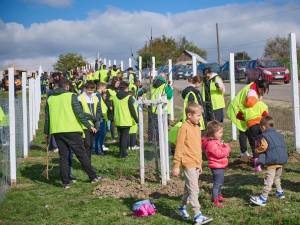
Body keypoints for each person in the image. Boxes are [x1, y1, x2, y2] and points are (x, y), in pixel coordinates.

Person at [44, 78, 101, 188]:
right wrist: (89, 126)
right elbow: (80, 114)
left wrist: (46, 133)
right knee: (82, 155)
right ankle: (93, 176)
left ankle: (66, 182)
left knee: (63, 156)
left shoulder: (50, 99)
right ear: (66, 87)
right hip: (72, 130)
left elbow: (47, 118)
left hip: (57, 131)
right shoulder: (71, 96)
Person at [173, 103, 213, 225]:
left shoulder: (197, 127)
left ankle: (181, 207)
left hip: (195, 164)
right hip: (187, 163)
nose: (200, 118)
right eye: (198, 115)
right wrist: (176, 165)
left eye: (200, 115)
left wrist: (199, 163)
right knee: (194, 189)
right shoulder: (184, 128)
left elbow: (197, 148)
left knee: (188, 188)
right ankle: (197, 215)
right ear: (189, 115)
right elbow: (179, 147)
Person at [250, 116, 288, 206]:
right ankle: (280, 192)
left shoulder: (265, 136)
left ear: (263, 127)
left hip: (272, 162)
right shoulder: (279, 135)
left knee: (269, 180)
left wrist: (256, 150)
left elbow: (264, 147)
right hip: (281, 160)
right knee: (277, 177)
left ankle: (263, 198)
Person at [227, 79, 269, 159]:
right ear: (260, 88)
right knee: (243, 131)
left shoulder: (255, 86)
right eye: (263, 91)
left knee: (248, 132)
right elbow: (250, 102)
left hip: (246, 112)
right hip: (238, 110)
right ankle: (244, 152)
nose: (263, 93)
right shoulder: (252, 92)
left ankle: (252, 153)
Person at [202, 120, 230, 208]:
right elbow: (219, 154)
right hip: (216, 166)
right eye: (220, 132)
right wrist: (227, 148)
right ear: (212, 133)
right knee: (217, 183)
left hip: (219, 165)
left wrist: (222, 145)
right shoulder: (211, 144)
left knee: (220, 182)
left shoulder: (215, 141)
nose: (222, 134)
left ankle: (219, 195)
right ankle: (215, 200)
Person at [112, 81, 138, 158]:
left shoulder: (114, 97)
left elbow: (113, 109)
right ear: (126, 88)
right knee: (124, 138)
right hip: (126, 120)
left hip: (118, 120)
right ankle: (123, 153)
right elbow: (132, 110)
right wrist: (137, 120)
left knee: (120, 137)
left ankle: (121, 152)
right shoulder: (128, 97)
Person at [78, 81, 102, 160]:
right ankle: (86, 163)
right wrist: (93, 117)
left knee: (90, 145)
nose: (90, 92)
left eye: (92, 90)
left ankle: (88, 162)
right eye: (88, 90)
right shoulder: (80, 98)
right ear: (85, 89)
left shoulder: (96, 98)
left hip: (94, 125)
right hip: (85, 125)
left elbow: (99, 111)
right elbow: (81, 113)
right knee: (87, 145)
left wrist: (97, 123)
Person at [150, 72, 173, 143]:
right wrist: (170, 87)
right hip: (164, 109)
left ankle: (157, 142)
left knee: (157, 128)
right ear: (164, 78)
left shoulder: (153, 85)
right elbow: (169, 96)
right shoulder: (165, 85)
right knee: (164, 127)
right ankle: (164, 142)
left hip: (154, 109)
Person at [94, 82, 109, 155]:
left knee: (99, 135)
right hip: (100, 118)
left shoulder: (99, 95)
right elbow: (98, 107)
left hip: (101, 117)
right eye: (105, 88)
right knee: (100, 135)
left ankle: (97, 150)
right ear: (101, 87)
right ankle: (98, 150)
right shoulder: (98, 95)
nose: (105, 89)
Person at [106, 77, 121, 143]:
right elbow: (107, 99)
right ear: (113, 83)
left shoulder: (119, 90)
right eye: (117, 83)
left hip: (118, 108)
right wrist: (110, 106)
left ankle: (119, 136)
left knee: (119, 122)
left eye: (119, 83)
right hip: (112, 108)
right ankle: (113, 137)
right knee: (112, 122)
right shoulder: (108, 90)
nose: (118, 84)